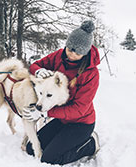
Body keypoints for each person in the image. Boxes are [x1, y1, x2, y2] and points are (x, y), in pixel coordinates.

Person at [23, 20, 101, 165]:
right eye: (70, 49)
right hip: (62, 120)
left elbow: (79, 109)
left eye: (77, 52)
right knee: (31, 148)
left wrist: (46, 113)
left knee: (50, 158)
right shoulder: (59, 56)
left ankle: (90, 144)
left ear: (84, 52)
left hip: (81, 123)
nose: (71, 54)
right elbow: (35, 65)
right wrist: (39, 71)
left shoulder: (91, 74)